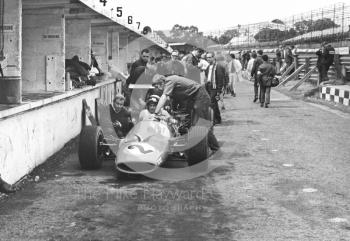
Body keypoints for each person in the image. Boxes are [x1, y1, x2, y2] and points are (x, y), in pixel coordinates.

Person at [152, 74, 220, 152]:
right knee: (187, 123)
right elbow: (170, 99)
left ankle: (215, 148)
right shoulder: (170, 82)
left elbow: (164, 97)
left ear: (161, 83)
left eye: (157, 86)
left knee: (200, 125)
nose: (157, 89)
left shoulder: (169, 81)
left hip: (200, 95)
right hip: (193, 98)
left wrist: (156, 112)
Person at [205, 52, 227, 125]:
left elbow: (221, 79)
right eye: (207, 57)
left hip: (215, 88)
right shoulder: (209, 67)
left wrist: (219, 90)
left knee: (212, 104)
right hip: (209, 87)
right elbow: (207, 75)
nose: (208, 59)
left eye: (209, 57)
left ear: (213, 57)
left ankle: (214, 120)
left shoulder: (218, 67)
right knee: (213, 104)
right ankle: (218, 118)